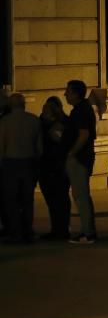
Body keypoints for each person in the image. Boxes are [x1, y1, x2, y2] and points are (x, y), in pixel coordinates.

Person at [0, 93, 42, 243]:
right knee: (27, 199)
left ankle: (16, 232)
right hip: (29, 162)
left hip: (10, 163)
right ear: (24, 104)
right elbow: (39, 147)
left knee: (11, 200)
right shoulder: (34, 120)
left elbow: (1, 146)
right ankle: (28, 230)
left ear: (10, 105)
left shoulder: (5, 122)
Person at [64, 80, 97, 244]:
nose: (65, 94)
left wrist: (71, 153)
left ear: (76, 94)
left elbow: (84, 134)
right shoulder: (83, 109)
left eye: (68, 91)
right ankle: (88, 230)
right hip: (82, 157)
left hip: (79, 158)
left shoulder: (80, 111)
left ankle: (88, 233)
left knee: (80, 196)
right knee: (82, 195)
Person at [38, 97, 71, 240]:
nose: (44, 111)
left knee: (60, 198)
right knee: (53, 199)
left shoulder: (62, 123)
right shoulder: (42, 122)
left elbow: (61, 141)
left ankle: (61, 229)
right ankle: (57, 228)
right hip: (48, 165)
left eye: (47, 108)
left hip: (57, 165)